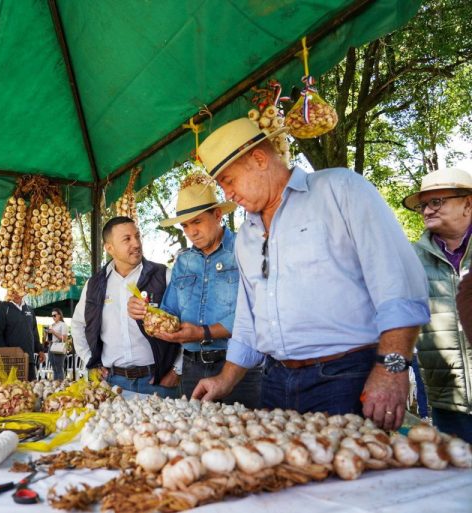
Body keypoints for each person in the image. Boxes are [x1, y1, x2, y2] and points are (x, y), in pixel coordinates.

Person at [192, 118, 429, 431]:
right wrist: (226, 378)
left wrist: (392, 368)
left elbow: (399, 284)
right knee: (289, 476)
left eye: (228, 180)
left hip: (347, 378)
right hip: (275, 382)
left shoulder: (340, 190)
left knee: (355, 477)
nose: (228, 193)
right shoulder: (247, 234)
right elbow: (249, 319)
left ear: (259, 159)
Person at [130, 174, 260, 405]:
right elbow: (170, 311)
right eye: (185, 226)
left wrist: (204, 332)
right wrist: (146, 312)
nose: (191, 232)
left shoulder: (245, 249)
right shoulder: (183, 261)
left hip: (239, 368)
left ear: (218, 215)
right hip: (192, 368)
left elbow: (257, 310)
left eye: (197, 222)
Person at [72, 217, 181, 397]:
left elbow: (187, 320)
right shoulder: (94, 285)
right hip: (113, 383)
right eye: (127, 239)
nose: (136, 243)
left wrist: (177, 370)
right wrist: (89, 362)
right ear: (109, 248)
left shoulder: (163, 275)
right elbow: (77, 325)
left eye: (137, 236)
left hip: (158, 381)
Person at [404, 167, 472, 442]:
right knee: (459, 482)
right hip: (448, 402)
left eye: (437, 202)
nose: (427, 211)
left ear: (467, 204)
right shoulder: (410, 259)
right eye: (423, 205)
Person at [0, 291, 44, 380]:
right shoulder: (3, 308)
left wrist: (40, 350)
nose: (17, 294)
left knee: (30, 388)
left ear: (24, 292)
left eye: (19, 291)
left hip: (29, 358)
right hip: (11, 360)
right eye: (13, 291)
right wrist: (4, 355)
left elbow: (34, 331)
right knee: (12, 389)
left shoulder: (29, 309)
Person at [46, 308, 69, 380]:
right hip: (51, 346)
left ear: (59, 315)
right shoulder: (52, 325)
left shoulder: (63, 325)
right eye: (52, 315)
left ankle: (61, 385)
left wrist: (53, 332)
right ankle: (55, 384)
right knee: (54, 368)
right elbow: (49, 339)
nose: (53, 317)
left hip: (59, 346)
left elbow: (64, 339)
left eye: (54, 315)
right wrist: (47, 334)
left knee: (59, 368)